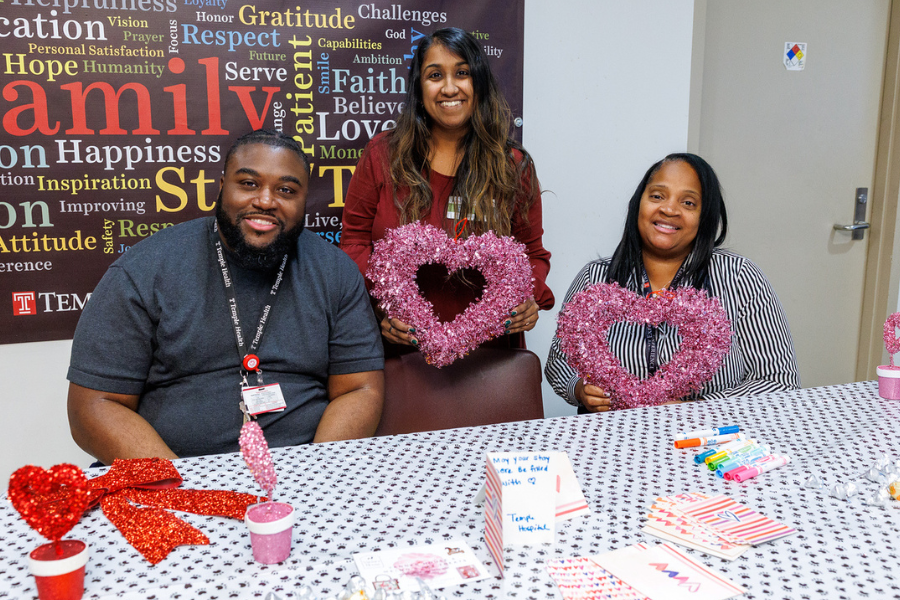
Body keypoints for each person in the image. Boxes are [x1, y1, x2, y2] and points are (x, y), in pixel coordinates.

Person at [67, 130, 384, 464]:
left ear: (305, 200)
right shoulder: (144, 270)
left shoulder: (335, 271)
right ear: (221, 188)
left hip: (303, 473)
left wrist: (319, 474)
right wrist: (184, 486)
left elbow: (359, 389)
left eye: (286, 190)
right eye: (248, 184)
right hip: (170, 476)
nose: (265, 201)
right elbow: (93, 407)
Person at [341, 27, 554, 351]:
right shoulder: (382, 154)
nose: (450, 87)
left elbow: (532, 254)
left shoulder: (512, 165)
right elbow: (354, 242)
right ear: (419, 87)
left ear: (479, 83)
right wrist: (382, 307)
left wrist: (528, 299)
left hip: (490, 353)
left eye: (462, 73)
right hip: (403, 349)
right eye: (435, 75)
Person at [545, 153, 800, 412]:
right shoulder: (595, 277)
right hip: (611, 431)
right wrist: (579, 389)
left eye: (688, 203)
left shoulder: (739, 276)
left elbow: (779, 381)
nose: (669, 209)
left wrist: (699, 407)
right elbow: (559, 362)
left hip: (709, 433)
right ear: (639, 203)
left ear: (705, 216)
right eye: (657, 196)